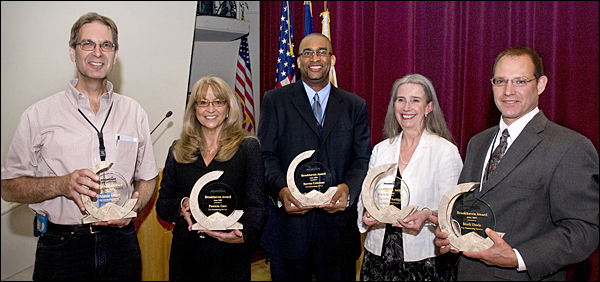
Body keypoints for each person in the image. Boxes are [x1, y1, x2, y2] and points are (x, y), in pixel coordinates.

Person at [1, 12, 159, 280]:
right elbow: (8, 187)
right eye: (87, 44)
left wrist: (133, 206)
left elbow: (148, 178)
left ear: (115, 54)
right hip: (63, 246)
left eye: (106, 45)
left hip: (122, 244)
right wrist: (62, 184)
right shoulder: (39, 115)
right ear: (73, 52)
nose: (97, 52)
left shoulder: (134, 112)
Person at [431, 46, 599, 280]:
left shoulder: (570, 147)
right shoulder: (477, 143)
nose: (508, 91)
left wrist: (519, 257)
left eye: (520, 81)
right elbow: (466, 208)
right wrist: (450, 230)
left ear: (540, 85)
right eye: (500, 81)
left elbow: (584, 230)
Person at [257, 32, 372, 281]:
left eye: (321, 52)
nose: (315, 58)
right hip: (289, 230)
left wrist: (348, 189)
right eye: (307, 53)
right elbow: (265, 156)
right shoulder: (274, 101)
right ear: (298, 62)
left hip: (338, 232)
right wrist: (280, 190)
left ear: (333, 59)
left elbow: (362, 159)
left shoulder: (355, 106)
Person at [156, 76, 266, 281]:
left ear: (228, 108)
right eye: (203, 102)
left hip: (230, 257)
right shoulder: (178, 150)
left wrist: (244, 236)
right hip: (187, 256)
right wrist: (181, 206)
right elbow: (163, 204)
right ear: (194, 109)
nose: (210, 109)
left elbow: (256, 204)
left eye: (218, 102)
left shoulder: (248, 147)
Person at [356, 74, 462, 281]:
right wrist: (366, 213)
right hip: (378, 255)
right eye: (401, 99)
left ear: (429, 107)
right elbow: (365, 196)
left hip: (424, 259)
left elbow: (453, 211)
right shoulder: (381, 149)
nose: (406, 107)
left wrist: (425, 216)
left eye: (415, 100)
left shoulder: (445, 152)